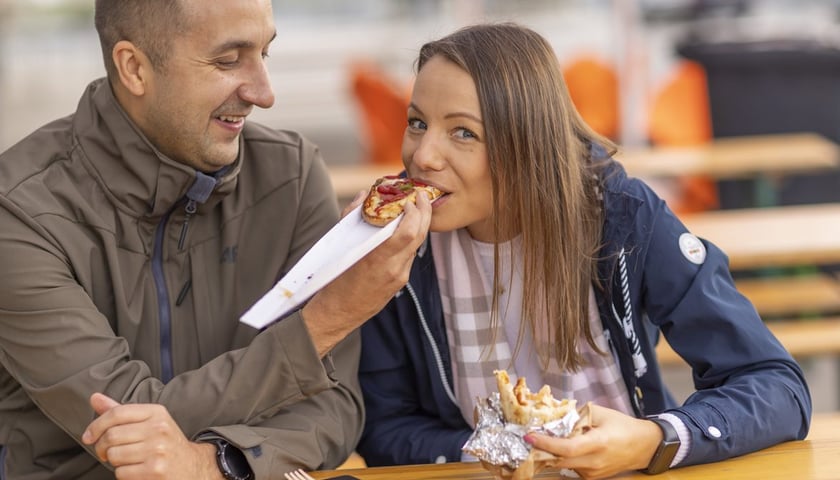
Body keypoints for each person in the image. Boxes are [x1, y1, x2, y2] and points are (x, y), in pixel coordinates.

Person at [356, 22, 811, 478]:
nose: (423, 155)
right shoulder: (395, 247)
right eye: (417, 123)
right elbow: (384, 427)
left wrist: (653, 440)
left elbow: (776, 387)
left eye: (463, 133)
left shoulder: (623, 220)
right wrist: (492, 450)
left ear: (528, 142)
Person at [0, 1, 430, 479]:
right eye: (229, 60)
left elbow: (336, 409)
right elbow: (124, 425)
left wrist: (219, 464)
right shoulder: (18, 213)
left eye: (265, 53)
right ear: (135, 68)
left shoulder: (291, 175)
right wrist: (327, 320)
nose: (264, 93)